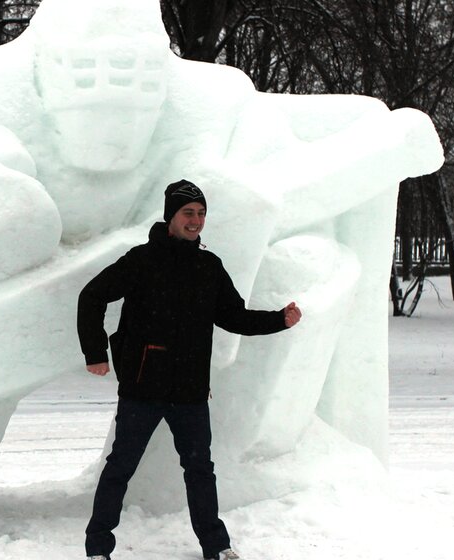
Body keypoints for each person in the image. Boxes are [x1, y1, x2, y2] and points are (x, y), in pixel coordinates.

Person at [77, 179, 302, 560]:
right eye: (188, 213)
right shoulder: (141, 260)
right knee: (120, 468)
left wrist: (279, 320)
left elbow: (234, 316)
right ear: (171, 216)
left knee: (200, 470)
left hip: (190, 391)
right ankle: (98, 547)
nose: (195, 220)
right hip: (143, 387)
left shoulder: (208, 266)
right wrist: (95, 353)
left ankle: (216, 546)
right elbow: (92, 296)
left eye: (200, 214)